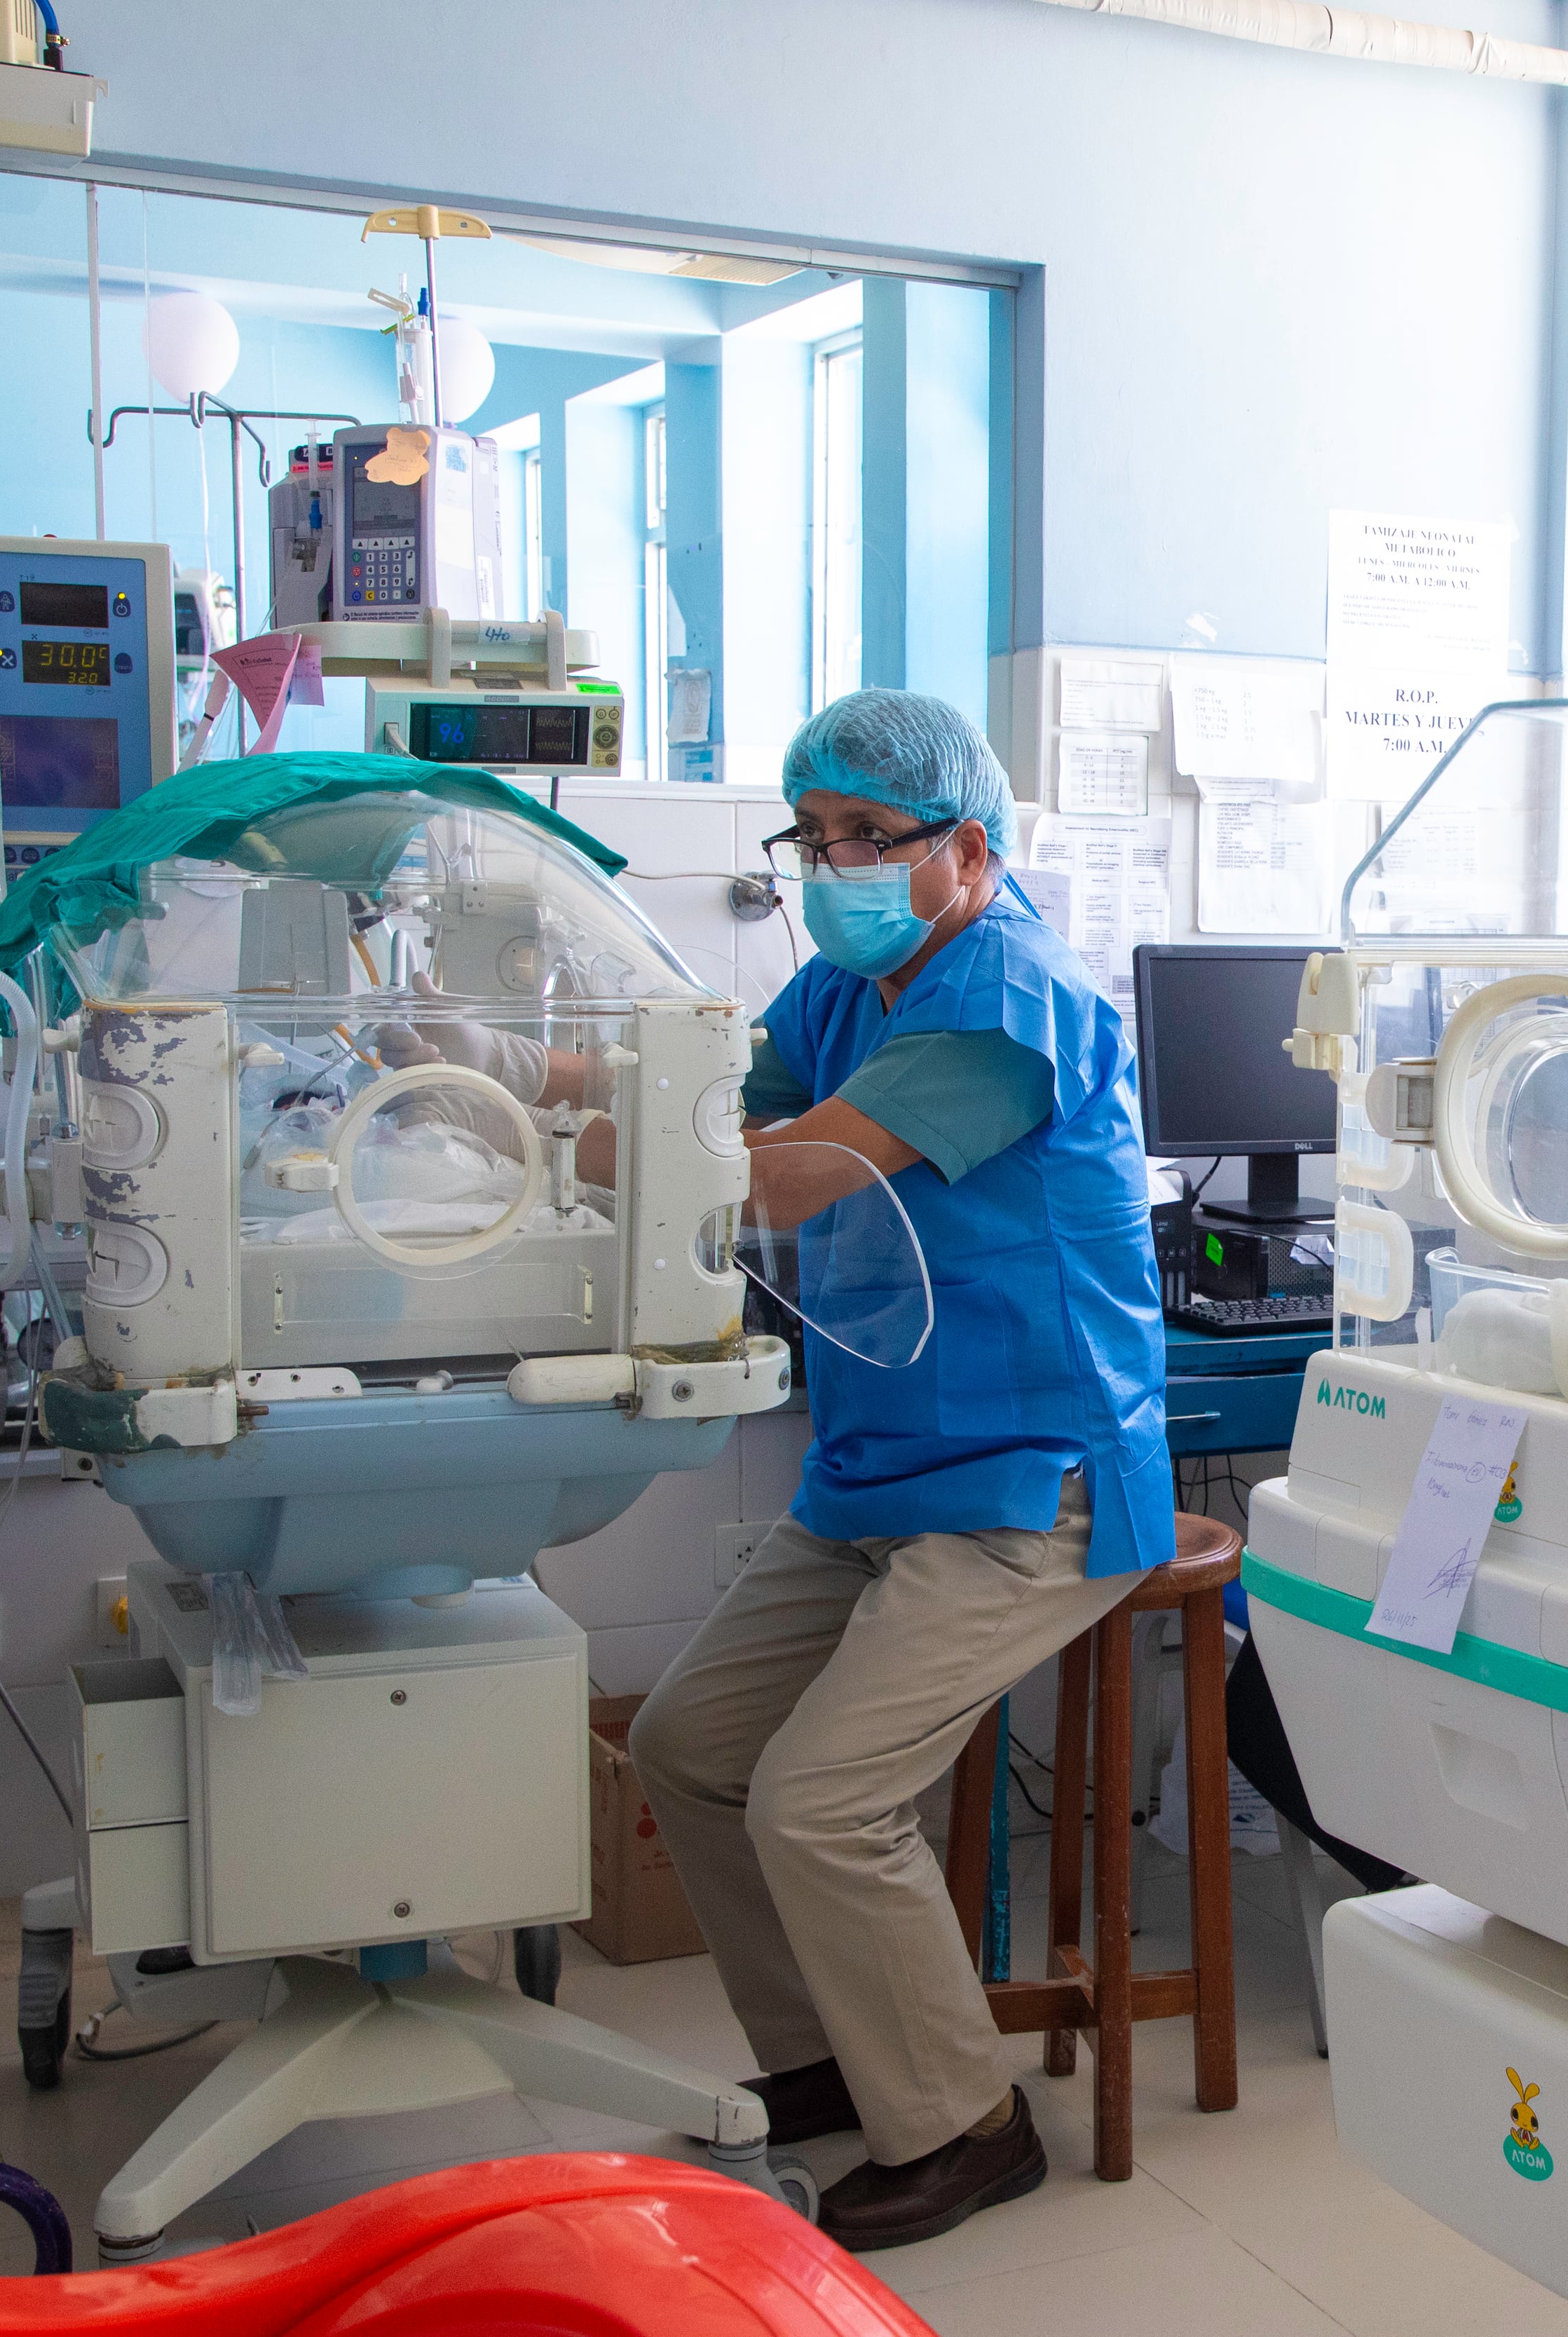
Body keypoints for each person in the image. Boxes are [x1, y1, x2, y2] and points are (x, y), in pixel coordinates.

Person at [532, 690, 1170, 2251]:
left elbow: (798, 1175)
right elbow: (710, 1109)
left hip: (1038, 1479)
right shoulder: (842, 984)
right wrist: (512, 1071)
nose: (830, 867)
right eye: (811, 838)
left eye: (863, 839)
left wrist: (554, 1137)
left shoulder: (1005, 999)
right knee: (689, 1745)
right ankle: (833, 2056)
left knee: (821, 1798)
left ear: (965, 844)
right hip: (887, 1469)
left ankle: (965, 2121)